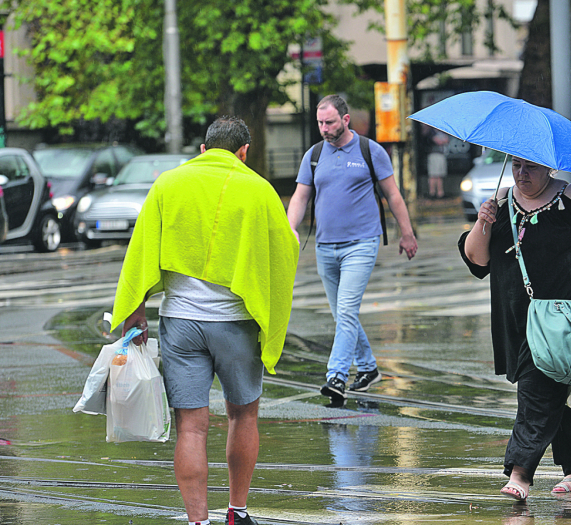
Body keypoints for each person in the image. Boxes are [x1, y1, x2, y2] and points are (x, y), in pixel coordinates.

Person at [110, 116, 299, 525]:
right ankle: (238, 510)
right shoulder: (259, 190)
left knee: (191, 428)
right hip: (236, 323)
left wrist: (136, 310)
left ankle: (198, 521)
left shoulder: (168, 184)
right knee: (242, 415)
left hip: (180, 322)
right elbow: (285, 250)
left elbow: (140, 250)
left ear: (202, 150)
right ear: (243, 151)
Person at [459, 156, 571, 501]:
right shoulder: (502, 201)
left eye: (530, 167)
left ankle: (520, 473)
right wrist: (482, 223)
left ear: (549, 167)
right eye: (516, 166)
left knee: (536, 391)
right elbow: (477, 260)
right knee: (556, 391)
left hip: (562, 322)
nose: (521, 174)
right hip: (515, 319)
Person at [287, 94, 418, 404]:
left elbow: (393, 195)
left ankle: (336, 375)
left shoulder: (369, 151)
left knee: (346, 311)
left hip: (361, 243)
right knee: (342, 315)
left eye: (329, 122)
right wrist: (290, 227)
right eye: (320, 122)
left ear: (345, 120)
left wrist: (407, 233)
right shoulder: (314, 154)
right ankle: (369, 368)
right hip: (324, 246)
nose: (324, 128)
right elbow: (300, 197)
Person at [427, 130, 449, 199]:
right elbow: (438, 141)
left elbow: (447, 140)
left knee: (440, 175)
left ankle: (440, 193)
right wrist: (443, 140)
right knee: (433, 175)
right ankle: (432, 193)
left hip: (441, 154)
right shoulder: (431, 132)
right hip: (434, 154)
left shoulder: (443, 132)